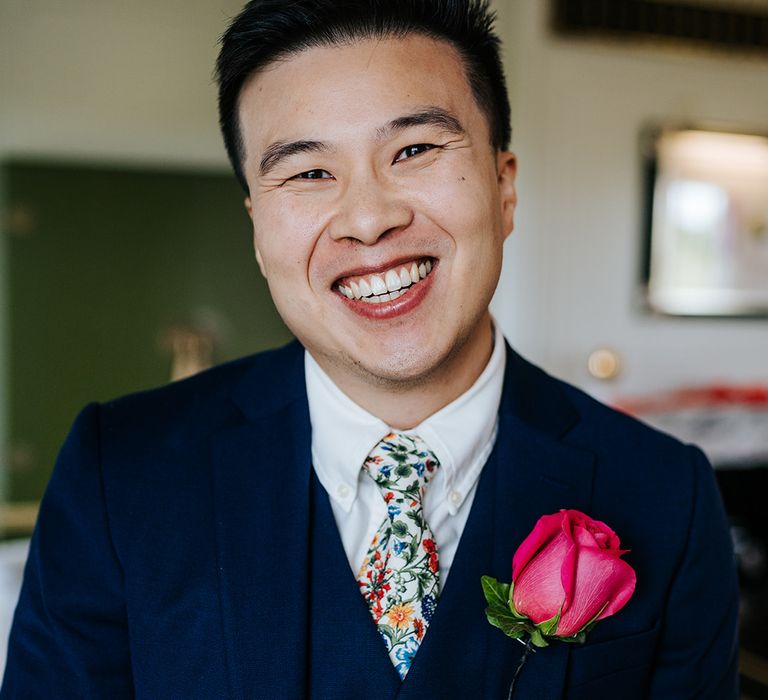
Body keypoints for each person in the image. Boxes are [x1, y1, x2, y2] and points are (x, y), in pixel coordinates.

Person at [1, 1, 739, 698]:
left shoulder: (663, 493)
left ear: (503, 187)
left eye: (414, 148)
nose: (367, 218)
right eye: (308, 172)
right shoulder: (119, 470)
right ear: (259, 230)